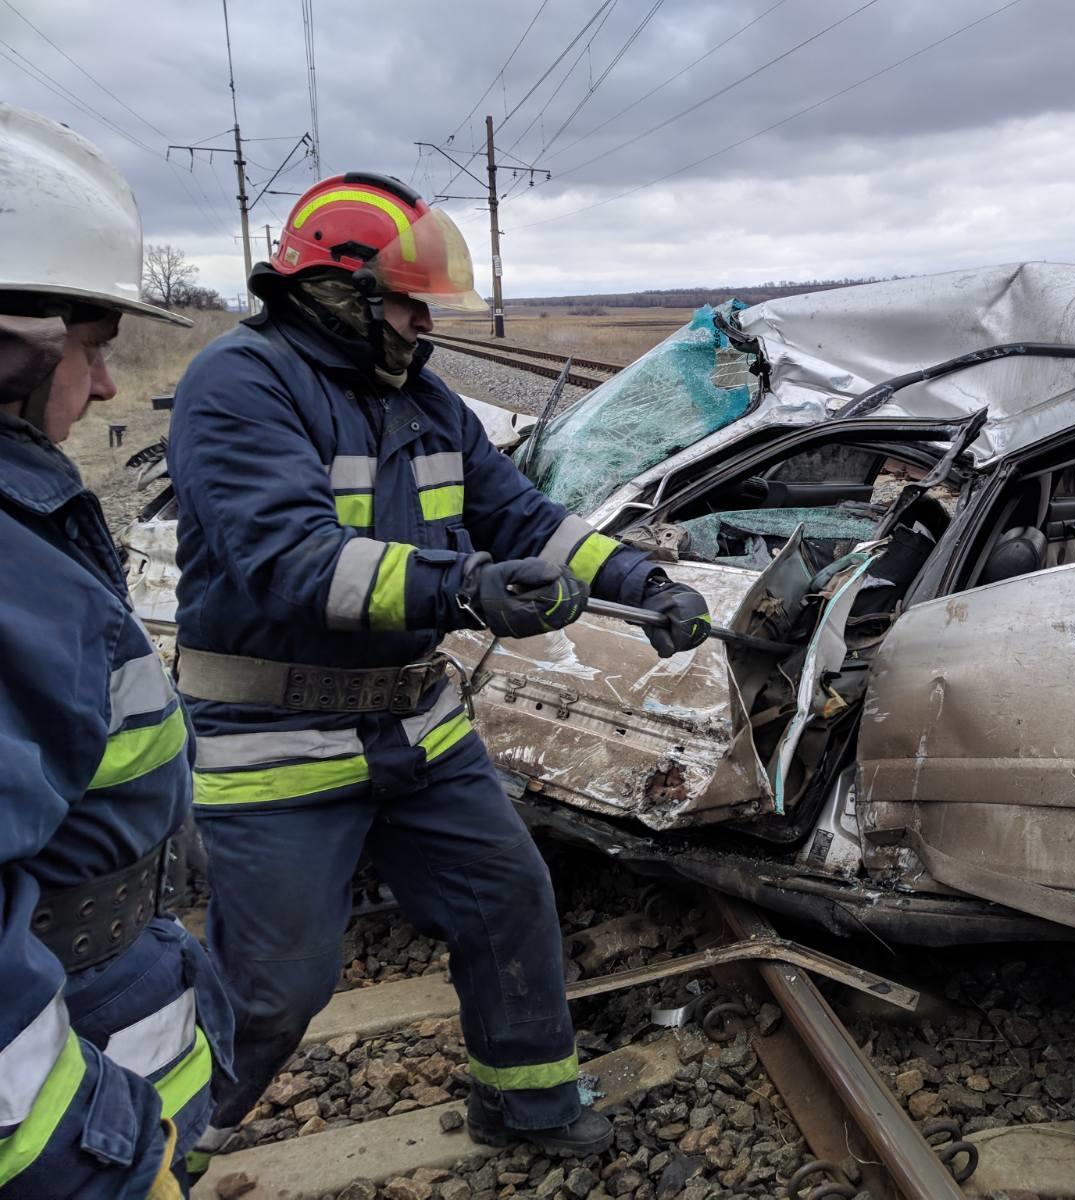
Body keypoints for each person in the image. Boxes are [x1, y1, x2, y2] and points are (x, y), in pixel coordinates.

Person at [165, 173, 712, 1161]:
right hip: (275, 742)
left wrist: (644, 582)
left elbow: (524, 520)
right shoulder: (240, 384)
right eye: (413, 301)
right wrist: (465, 588)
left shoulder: (421, 398)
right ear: (342, 291)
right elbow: (292, 562)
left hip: (418, 725)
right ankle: (157, 1147)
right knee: (278, 984)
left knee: (506, 898)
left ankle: (530, 1106)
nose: (428, 323)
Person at [0, 103, 232, 1198]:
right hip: (84, 1134)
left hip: (116, 1036)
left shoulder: (28, 525)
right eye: (89, 349)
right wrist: (107, 1165)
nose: (102, 388)